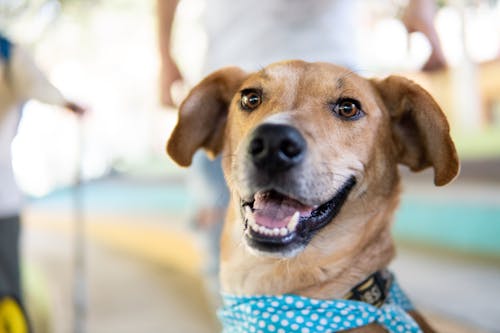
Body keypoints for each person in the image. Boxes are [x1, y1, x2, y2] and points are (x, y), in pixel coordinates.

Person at [156, 0, 446, 295]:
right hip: (234, 50)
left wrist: (422, 7)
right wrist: (164, 56)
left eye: (346, 108)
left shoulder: (373, 102)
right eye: (253, 100)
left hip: (332, 51)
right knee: (213, 251)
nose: (276, 143)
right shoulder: (226, 99)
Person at [0, 32, 85, 332]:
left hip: (3, 201)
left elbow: (39, 85)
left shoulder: (7, 53)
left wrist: (66, 103)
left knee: (7, 292)